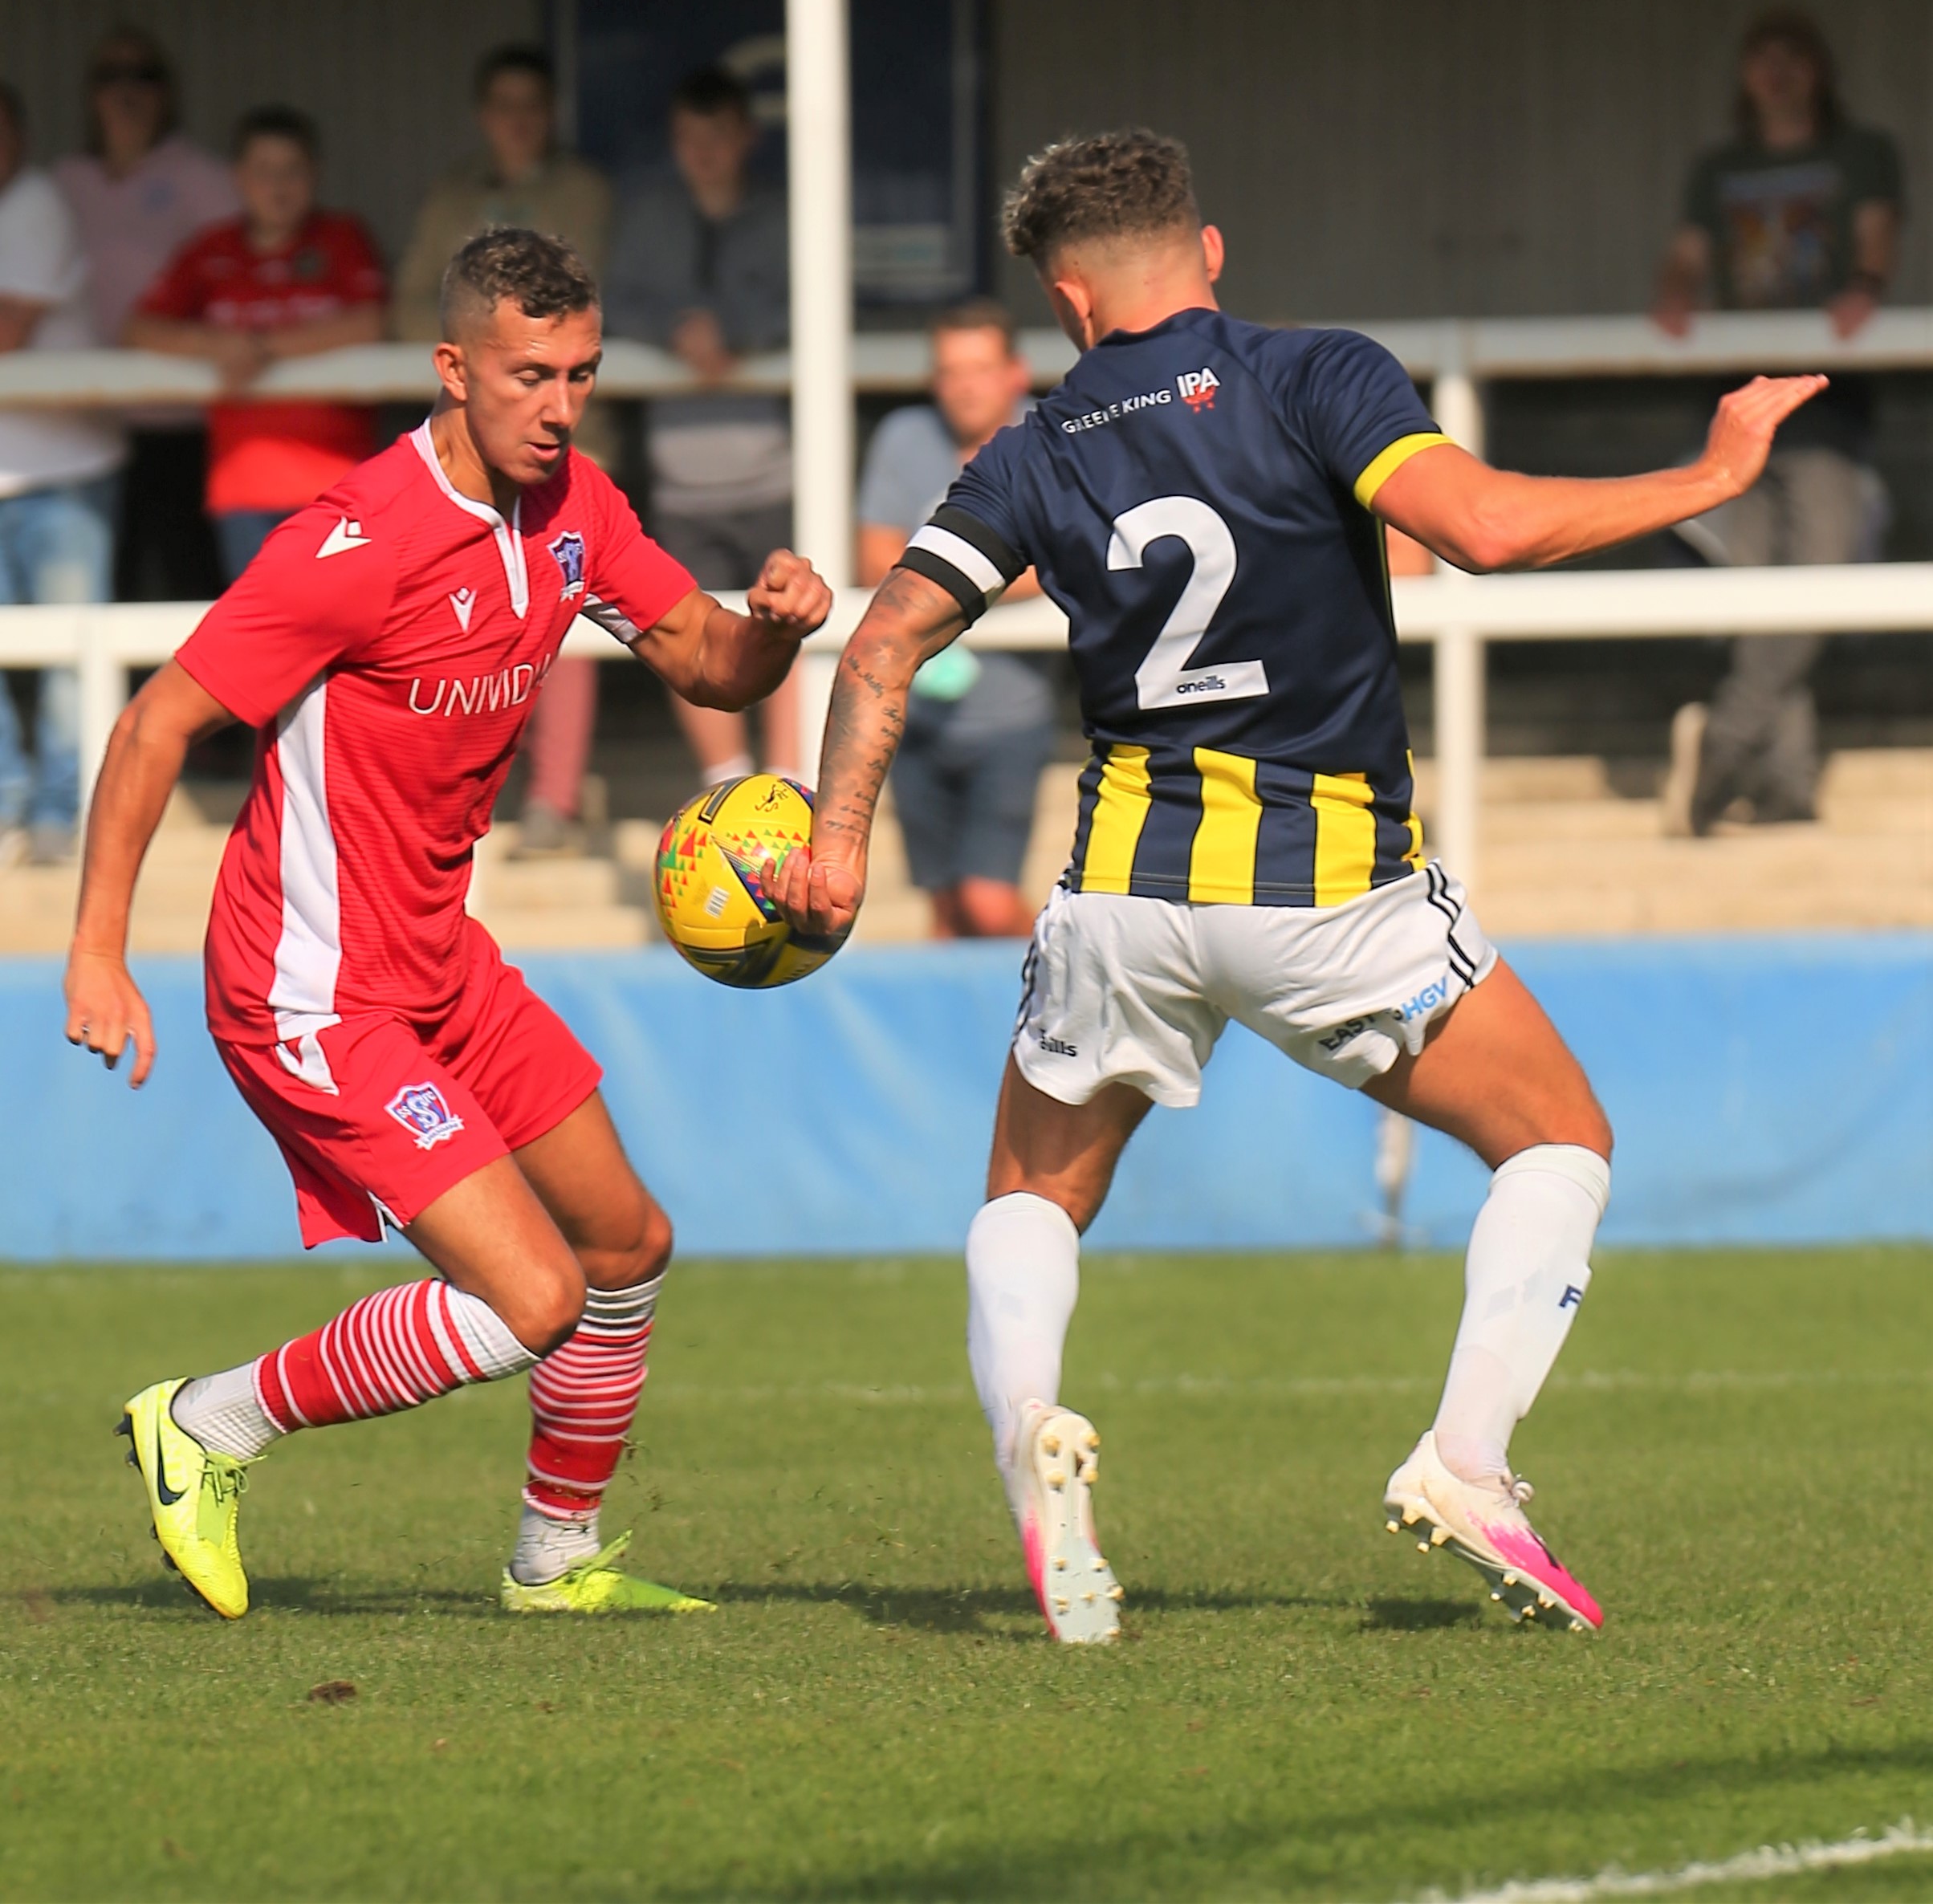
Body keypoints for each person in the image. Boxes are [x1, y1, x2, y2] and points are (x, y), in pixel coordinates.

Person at [773, 130, 1823, 1644]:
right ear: (1207, 252)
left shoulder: (1029, 444)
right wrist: (1716, 470)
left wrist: (835, 846)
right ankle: (1466, 1461)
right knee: (1558, 1143)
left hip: (1124, 883)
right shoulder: (1308, 373)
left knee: (1032, 1195)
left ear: (1066, 298)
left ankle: (1030, 1441)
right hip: (1329, 887)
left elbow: (877, 651)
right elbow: (1487, 532)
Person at [66, 228, 831, 1621]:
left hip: (439, 960)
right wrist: (99, 950)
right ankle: (209, 1419)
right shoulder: (351, 543)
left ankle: (555, 1559)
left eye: (581, 375)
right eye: (529, 374)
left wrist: (776, 624)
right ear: (452, 368)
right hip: (307, 988)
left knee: (624, 1247)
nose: (557, 405)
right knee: (533, 1299)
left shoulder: (577, 508)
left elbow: (711, 666)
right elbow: (153, 721)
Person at [1653, 10, 1902, 836]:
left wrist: (1863, 285)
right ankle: (1787, 789)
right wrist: (1675, 297)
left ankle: (1719, 747)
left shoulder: (1857, 153)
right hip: (1737, 399)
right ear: (1742, 76)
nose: (1777, 72)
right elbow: (1686, 258)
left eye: (1793, 56)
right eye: (1760, 57)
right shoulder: (1717, 167)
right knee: (1756, 593)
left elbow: (1874, 240)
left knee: (1813, 585)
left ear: (1818, 70)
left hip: (1828, 405)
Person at [395, 45, 615, 856]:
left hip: (574, 451)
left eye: (532, 103)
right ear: (483, 114)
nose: (518, 119)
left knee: (560, 610)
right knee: (465, 619)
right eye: (503, 103)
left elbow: (577, 307)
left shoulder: (582, 192)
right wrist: (484, 338)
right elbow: (411, 303)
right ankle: (459, 797)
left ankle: (553, 799)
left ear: (549, 112)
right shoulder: (453, 194)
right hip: (465, 456)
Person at [606, 64, 800, 789]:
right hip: (681, 474)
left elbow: (815, 296)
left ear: (747, 137)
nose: (705, 152)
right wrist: (675, 332)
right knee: (687, 627)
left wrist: (737, 335)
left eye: (718, 136)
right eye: (690, 138)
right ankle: (726, 788)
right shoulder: (648, 217)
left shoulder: (785, 214)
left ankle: (786, 788)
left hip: (775, 467)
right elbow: (615, 304)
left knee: (787, 627)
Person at [123, 107, 387, 583]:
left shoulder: (343, 239)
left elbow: (371, 323)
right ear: (239, 178)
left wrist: (262, 347)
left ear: (315, 174)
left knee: (340, 644)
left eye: (292, 170)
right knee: (267, 652)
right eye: (264, 171)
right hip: (242, 487)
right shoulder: (213, 248)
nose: (278, 185)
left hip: (340, 485)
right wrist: (215, 345)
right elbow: (140, 328)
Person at [857, 301, 1054, 938]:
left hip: (1011, 714)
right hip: (915, 712)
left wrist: (934, 591)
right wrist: (1002, 575)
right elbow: (873, 560)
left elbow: (1065, 561)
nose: (965, 384)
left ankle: (1066, 969)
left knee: (988, 904)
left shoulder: (1053, 440)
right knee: (944, 915)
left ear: (1015, 373)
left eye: (980, 367)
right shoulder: (904, 438)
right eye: (950, 369)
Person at [53, 26, 235, 604]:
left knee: (192, 585)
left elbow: (239, 279)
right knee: (107, 590)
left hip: (184, 420)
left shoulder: (204, 179)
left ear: (167, 92)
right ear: (91, 93)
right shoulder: (61, 183)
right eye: (111, 76)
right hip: (86, 427)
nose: (126, 91)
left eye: (143, 76)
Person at [0, 83, 125, 867]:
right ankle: (9, 804)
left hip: (64, 474)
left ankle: (62, 818)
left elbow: (8, 329)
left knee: (71, 662)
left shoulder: (36, 201)